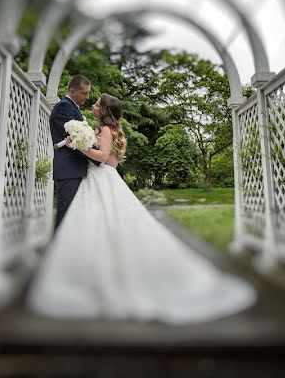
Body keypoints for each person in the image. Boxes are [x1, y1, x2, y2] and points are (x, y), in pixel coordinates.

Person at [29, 93, 256, 324]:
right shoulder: (102, 129)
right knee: (101, 224)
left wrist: (79, 145)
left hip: (101, 179)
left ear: (105, 110)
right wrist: (82, 141)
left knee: (107, 223)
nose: (94, 106)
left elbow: (103, 157)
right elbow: (111, 160)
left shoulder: (106, 130)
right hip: (98, 178)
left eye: (97, 104)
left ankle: (107, 278)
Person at [48, 74, 93, 230]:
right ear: (72, 90)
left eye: (88, 93)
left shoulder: (73, 107)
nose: (87, 97)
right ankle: (57, 251)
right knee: (66, 214)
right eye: (84, 93)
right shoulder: (64, 106)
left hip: (74, 168)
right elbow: (74, 139)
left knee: (72, 215)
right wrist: (98, 158)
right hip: (69, 169)